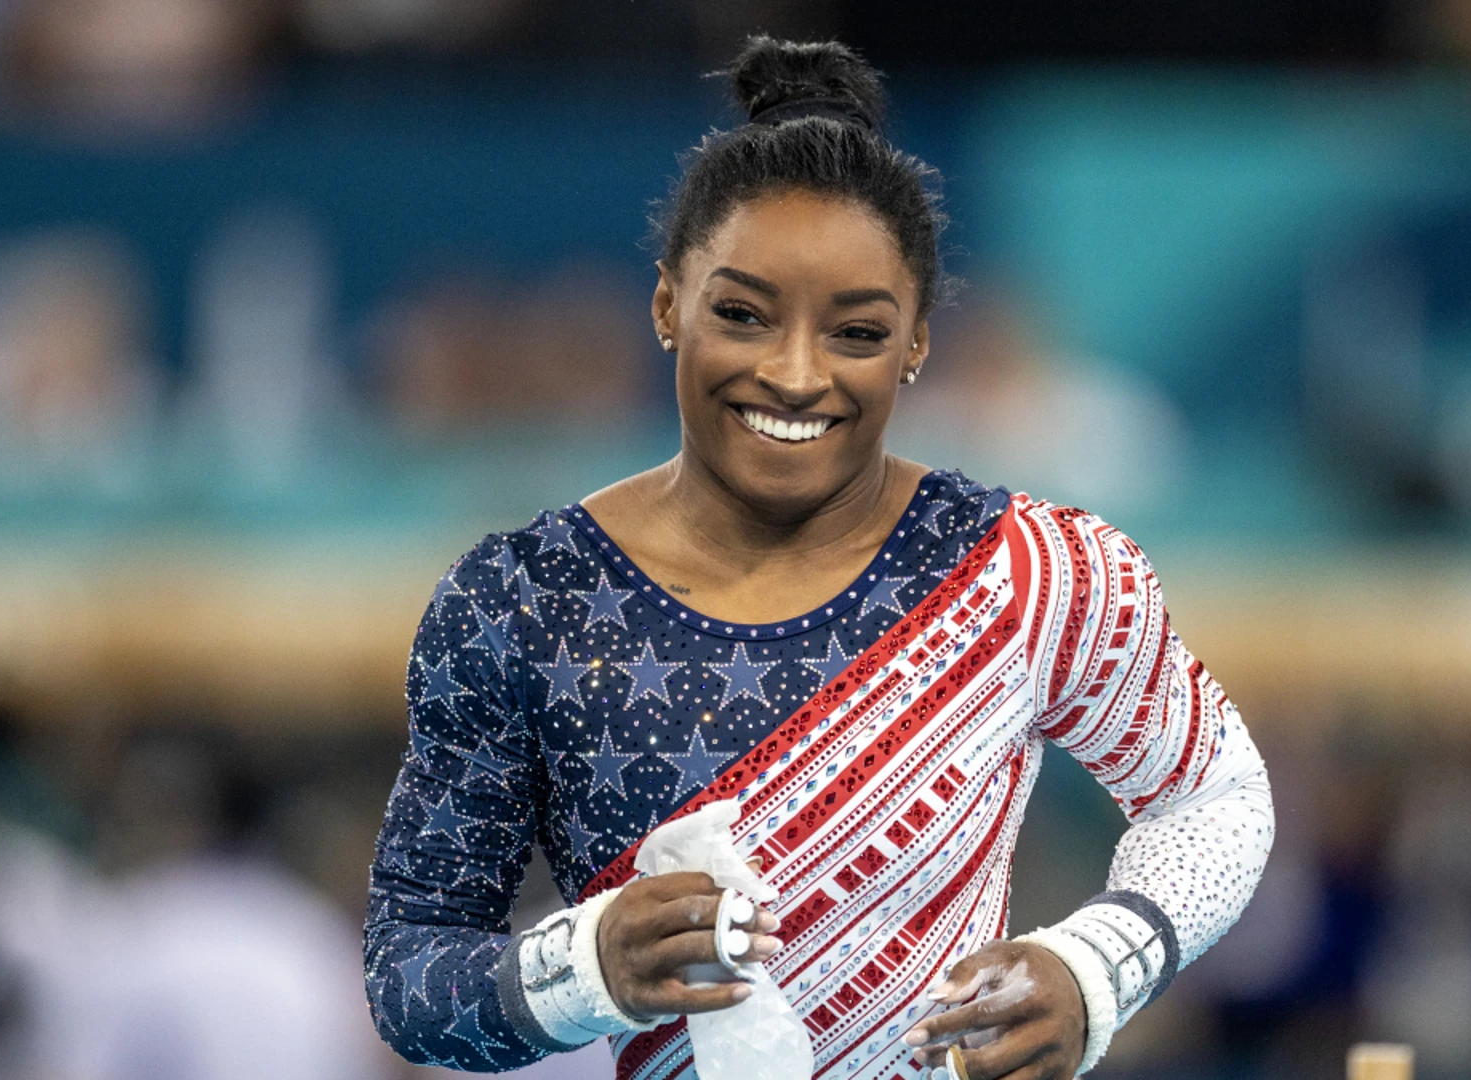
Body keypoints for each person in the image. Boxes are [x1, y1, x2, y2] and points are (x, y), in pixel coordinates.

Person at [363, 37, 1273, 1080]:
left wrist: (1094, 968)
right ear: (669, 304)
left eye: (856, 333)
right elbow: (409, 973)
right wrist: (584, 970)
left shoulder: (1027, 570)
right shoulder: (524, 601)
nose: (795, 375)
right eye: (743, 315)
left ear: (918, 341)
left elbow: (1214, 795)